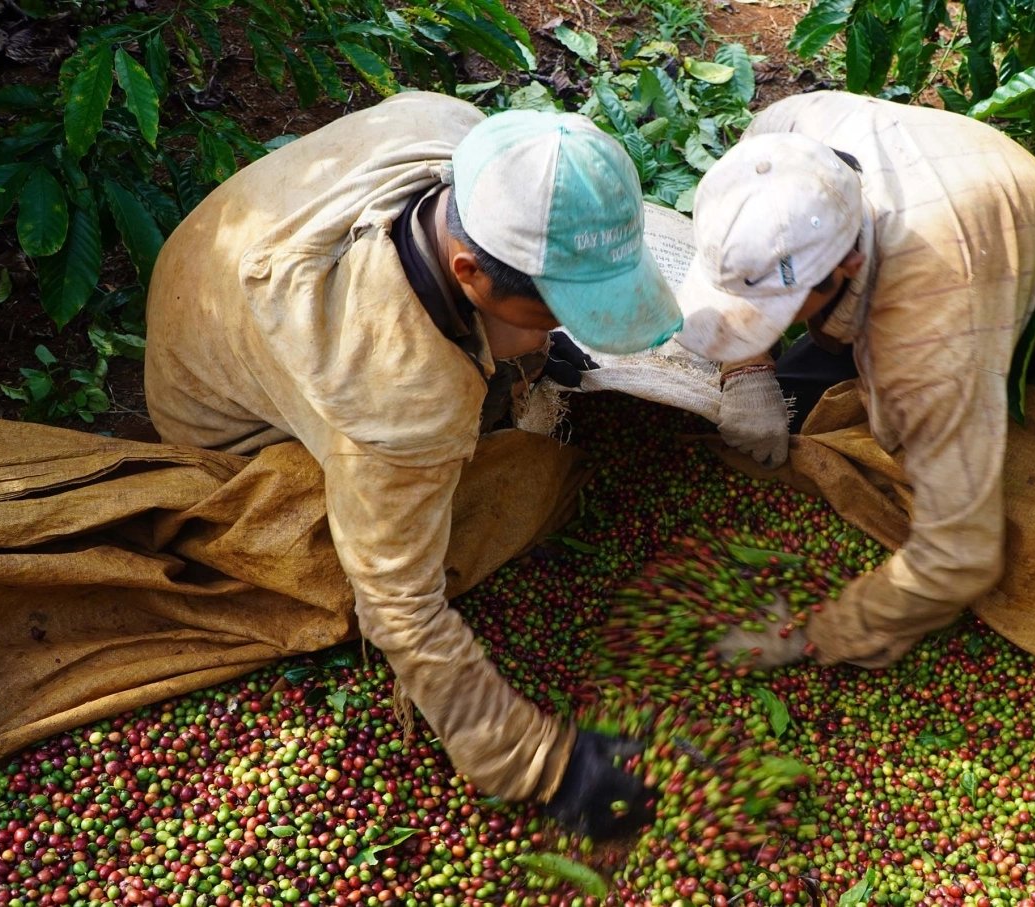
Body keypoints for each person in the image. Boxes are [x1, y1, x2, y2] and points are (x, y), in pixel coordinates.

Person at [144, 92, 681, 838]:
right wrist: (540, 761)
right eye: (548, 313)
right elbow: (398, 605)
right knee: (493, 500)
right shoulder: (397, 403)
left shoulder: (457, 134)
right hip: (229, 427)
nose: (557, 332)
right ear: (472, 273)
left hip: (214, 275)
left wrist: (527, 334)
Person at [674, 90, 1035, 670]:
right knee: (801, 392)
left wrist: (829, 633)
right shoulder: (787, 134)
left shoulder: (929, 339)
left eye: (775, 307)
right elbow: (758, 253)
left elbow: (960, 554)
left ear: (848, 265)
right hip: (961, 192)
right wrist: (748, 367)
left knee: (924, 434)